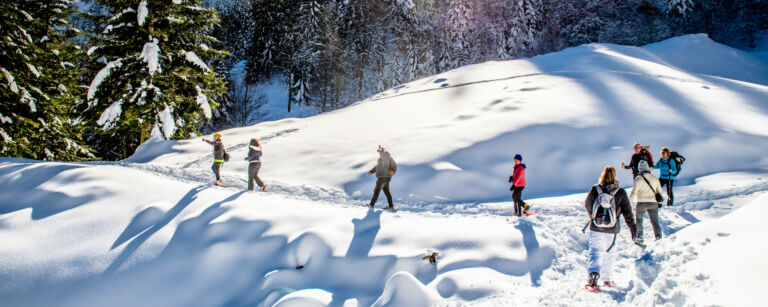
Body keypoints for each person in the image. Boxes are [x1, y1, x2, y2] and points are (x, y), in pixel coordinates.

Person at [584, 166, 637, 291]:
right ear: (615, 176)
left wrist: (594, 217)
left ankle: (592, 279)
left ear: (602, 175)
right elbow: (627, 213)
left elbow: (587, 204)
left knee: (595, 251)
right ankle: (607, 279)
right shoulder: (620, 192)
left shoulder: (595, 189)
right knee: (609, 252)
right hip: (612, 228)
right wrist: (633, 229)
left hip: (596, 227)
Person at [630, 160, 663, 245]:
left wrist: (629, 204)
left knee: (639, 221)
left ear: (639, 169)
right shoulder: (655, 178)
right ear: (648, 168)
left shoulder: (638, 179)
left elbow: (634, 193)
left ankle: (640, 238)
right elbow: (659, 192)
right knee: (655, 221)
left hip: (641, 203)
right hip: (653, 203)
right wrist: (659, 203)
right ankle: (659, 237)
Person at [367, 145, 397, 210]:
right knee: (386, 192)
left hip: (382, 177)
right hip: (386, 177)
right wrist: (371, 171)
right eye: (379, 151)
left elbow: (394, 165)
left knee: (376, 191)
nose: (379, 152)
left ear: (383, 151)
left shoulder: (387, 157)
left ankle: (371, 205)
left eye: (380, 150)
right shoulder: (381, 158)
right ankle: (391, 206)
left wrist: (393, 171)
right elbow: (377, 167)